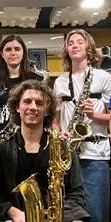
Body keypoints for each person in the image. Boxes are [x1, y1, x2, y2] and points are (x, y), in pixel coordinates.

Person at [0, 79, 90, 222]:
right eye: (27, 101)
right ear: (17, 107)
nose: (33, 107)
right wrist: (12, 212)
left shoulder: (63, 148)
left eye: (39, 103)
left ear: (47, 110)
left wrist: (57, 216)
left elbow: (76, 194)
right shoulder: (3, 149)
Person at [53, 29, 111, 222]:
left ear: (89, 47)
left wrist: (94, 115)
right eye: (70, 43)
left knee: (96, 213)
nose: (75, 45)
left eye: (80, 41)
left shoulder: (103, 77)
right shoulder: (60, 81)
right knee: (68, 214)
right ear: (66, 50)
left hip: (95, 155)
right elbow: (55, 119)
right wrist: (58, 134)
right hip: (68, 155)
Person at [0, 34, 43, 153]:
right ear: (2, 54)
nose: (13, 53)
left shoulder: (36, 81)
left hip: (30, 142)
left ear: (23, 53)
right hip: (1, 143)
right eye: (8, 49)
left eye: (17, 49)